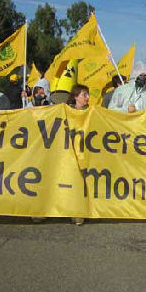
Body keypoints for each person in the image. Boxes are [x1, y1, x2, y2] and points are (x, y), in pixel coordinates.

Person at [66, 84, 90, 226]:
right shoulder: (66, 111)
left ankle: (79, 213)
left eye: (88, 95)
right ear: (75, 97)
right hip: (69, 152)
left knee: (82, 183)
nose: (87, 98)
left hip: (85, 153)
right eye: (84, 95)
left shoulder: (92, 112)